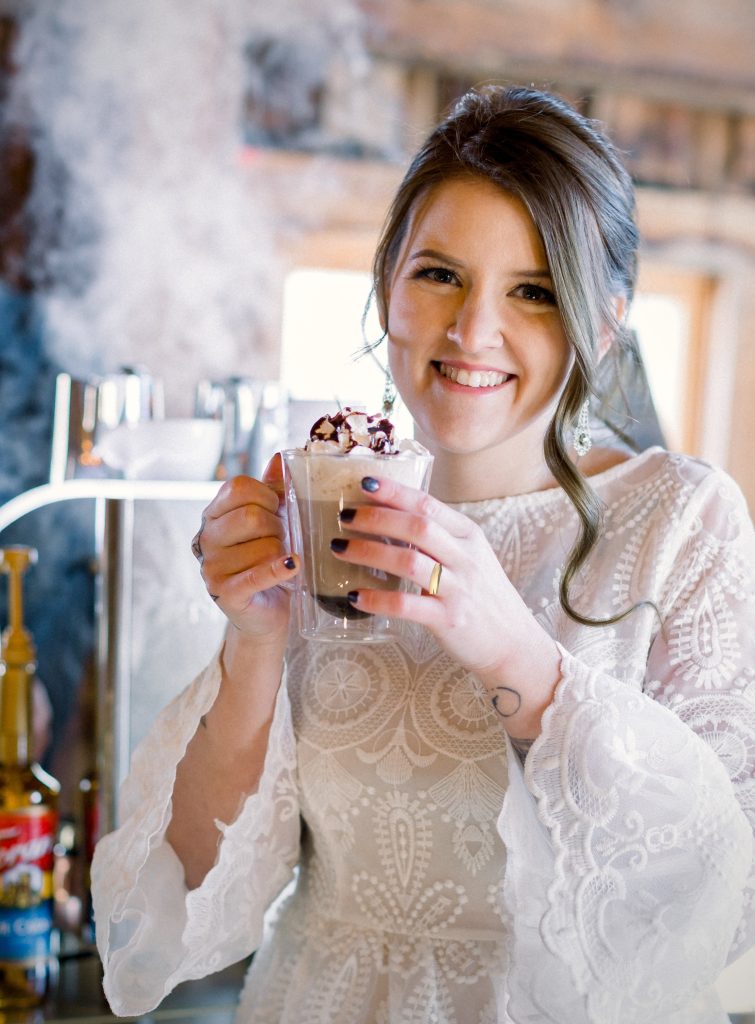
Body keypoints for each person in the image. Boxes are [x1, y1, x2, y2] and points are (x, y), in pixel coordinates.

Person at [91, 85, 755, 1024]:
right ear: (385, 289)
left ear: (602, 326)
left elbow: (716, 908)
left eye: (532, 291)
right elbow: (183, 912)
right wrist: (253, 642)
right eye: (438, 274)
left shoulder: (681, 521)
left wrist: (511, 649)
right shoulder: (325, 505)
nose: (471, 331)